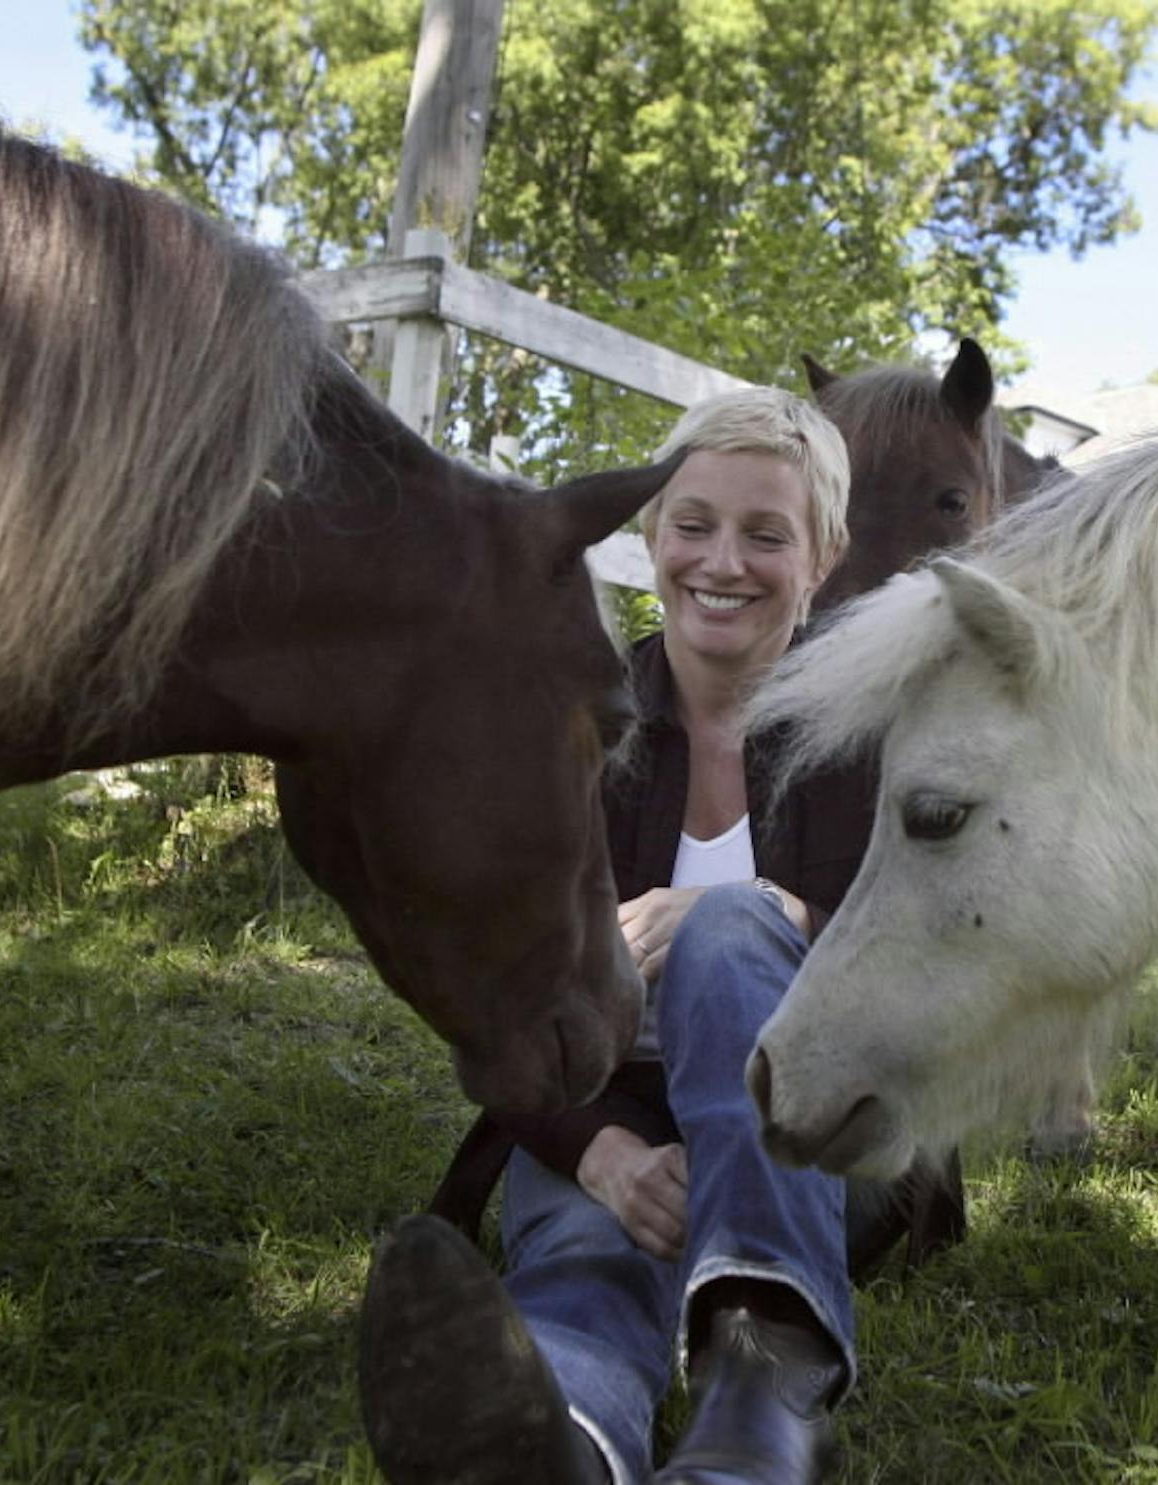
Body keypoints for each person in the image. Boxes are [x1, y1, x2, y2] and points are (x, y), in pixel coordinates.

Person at [358, 385, 872, 1485]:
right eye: (693, 525)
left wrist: (782, 914)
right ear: (651, 535)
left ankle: (762, 1399)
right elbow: (501, 998)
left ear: (822, 556)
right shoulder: (565, 724)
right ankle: (561, 1449)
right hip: (600, 1111)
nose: (721, 562)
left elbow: (922, 974)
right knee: (588, 1266)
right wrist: (606, 1156)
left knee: (732, 928)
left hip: (805, 1131)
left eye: (766, 534)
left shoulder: (865, 736)